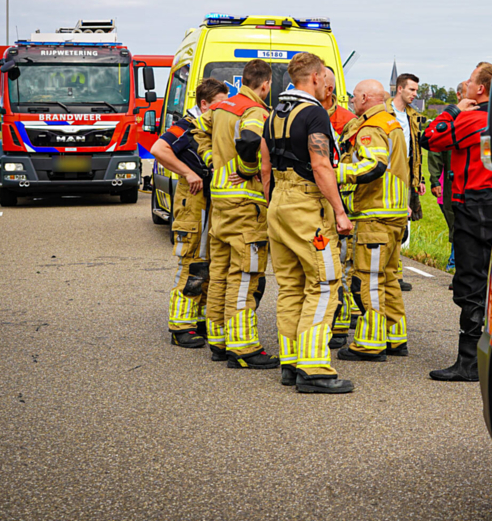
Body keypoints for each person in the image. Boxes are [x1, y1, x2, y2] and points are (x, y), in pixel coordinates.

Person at [262, 52, 354, 394]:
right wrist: (340, 212)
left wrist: (273, 203)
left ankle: (291, 361)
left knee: (290, 285)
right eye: (326, 78)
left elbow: (266, 166)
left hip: (279, 204)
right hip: (306, 204)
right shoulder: (313, 112)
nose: (328, 84)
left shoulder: (274, 113)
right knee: (325, 282)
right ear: (314, 77)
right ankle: (314, 367)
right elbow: (321, 166)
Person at [420, 62, 492, 381]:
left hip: (473, 203)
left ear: (480, 89)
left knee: (470, 282)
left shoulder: (472, 118)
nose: (466, 87)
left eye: (470, 82)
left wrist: (452, 110)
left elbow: (429, 138)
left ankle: (469, 361)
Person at [195, 59, 279, 369]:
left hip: (220, 200)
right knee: (245, 275)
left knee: (220, 273)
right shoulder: (254, 111)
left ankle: (218, 340)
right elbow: (250, 141)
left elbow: (197, 131)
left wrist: (213, 162)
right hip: (246, 203)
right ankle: (243, 348)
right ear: (265, 85)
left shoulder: (221, 107)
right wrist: (246, 170)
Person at [334, 80, 409, 362]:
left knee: (369, 280)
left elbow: (372, 165)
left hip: (374, 213)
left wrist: (336, 172)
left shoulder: (371, 127)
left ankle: (370, 343)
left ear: (365, 97)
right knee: (388, 277)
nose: (352, 101)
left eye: (354, 97)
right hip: (394, 213)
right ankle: (394, 335)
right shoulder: (392, 123)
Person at [150, 78, 228, 348]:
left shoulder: (210, 126)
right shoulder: (187, 126)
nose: (222, 110)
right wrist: (187, 172)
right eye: (218, 105)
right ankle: (180, 326)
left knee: (210, 262)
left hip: (209, 200)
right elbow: (158, 148)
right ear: (204, 104)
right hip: (193, 202)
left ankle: (200, 319)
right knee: (192, 262)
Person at [319, 67, 359, 349]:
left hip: (341, 197)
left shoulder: (347, 120)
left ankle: (340, 326)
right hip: (315, 200)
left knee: (340, 266)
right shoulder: (306, 113)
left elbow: (357, 161)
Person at [426, 80, 465, 273]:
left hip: (467, 184)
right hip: (449, 183)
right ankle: (454, 261)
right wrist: (434, 180)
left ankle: (457, 261)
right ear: (459, 96)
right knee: (457, 223)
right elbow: (434, 149)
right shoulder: (449, 120)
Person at [391, 73, 425, 291]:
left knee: (402, 227)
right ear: (400, 88)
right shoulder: (385, 111)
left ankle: (396, 272)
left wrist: (419, 178)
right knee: (390, 224)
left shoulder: (414, 116)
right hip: (389, 172)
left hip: (407, 175)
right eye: (411, 90)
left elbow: (417, 150)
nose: (415, 94)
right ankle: (391, 273)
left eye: (416, 91)